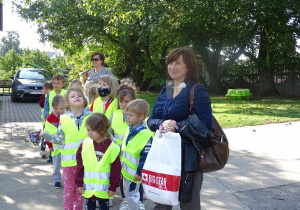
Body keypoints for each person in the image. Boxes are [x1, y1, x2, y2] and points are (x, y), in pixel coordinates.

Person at [147, 47, 212, 210]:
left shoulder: (197, 91)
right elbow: (151, 120)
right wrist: (162, 124)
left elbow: (205, 125)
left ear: (188, 67)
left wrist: (175, 127)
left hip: (188, 157)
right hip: (164, 155)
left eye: (178, 63)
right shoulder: (165, 90)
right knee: (161, 202)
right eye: (170, 63)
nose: (172, 67)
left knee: (188, 204)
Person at [39, 86, 92, 210]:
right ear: (67, 102)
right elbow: (60, 139)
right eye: (73, 96)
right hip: (68, 163)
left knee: (80, 191)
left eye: (79, 95)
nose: (77, 97)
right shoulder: (64, 118)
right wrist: (45, 135)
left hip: (86, 162)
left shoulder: (91, 116)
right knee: (68, 191)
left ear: (84, 99)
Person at [75, 113, 121, 210]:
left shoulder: (113, 148)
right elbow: (80, 165)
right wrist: (79, 182)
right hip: (88, 188)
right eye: (88, 130)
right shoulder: (84, 145)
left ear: (103, 130)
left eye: (92, 130)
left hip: (104, 190)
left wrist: (113, 186)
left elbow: (116, 170)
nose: (89, 133)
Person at [120, 99, 153, 210]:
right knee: (128, 195)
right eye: (127, 114)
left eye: (131, 115)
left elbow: (146, 157)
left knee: (133, 197)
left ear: (141, 117)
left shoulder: (145, 135)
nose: (127, 117)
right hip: (126, 172)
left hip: (135, 175)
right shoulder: (130, 128)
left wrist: (140, 173)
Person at [44, 95, 66, 188]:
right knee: (56, 164)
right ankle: (57, 180)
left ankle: (66, 179)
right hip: (55, 146)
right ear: (54, 108)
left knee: (66, 164)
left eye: (65, 108)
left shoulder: (66, 116)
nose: (63, 110)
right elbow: (47, 133)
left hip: (65, 145)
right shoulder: (50, 119)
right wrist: (50, 146)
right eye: (61, 108)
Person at [39, 81, 53, 159]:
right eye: (44, 89)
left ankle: (51, 152)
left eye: (47, 89)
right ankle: (42, 149)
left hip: (52, 120)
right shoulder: (44, 96)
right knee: (44, 135)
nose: (45, 90)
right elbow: (41, 104)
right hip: (45, 120)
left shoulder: (52, 95)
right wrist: (43, 95)